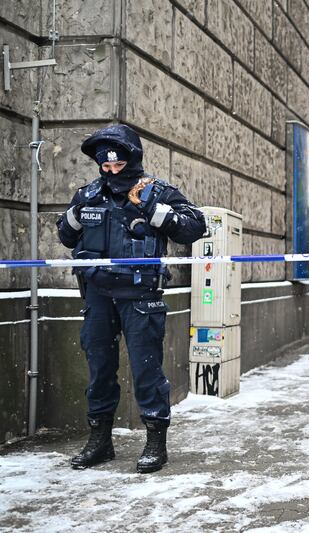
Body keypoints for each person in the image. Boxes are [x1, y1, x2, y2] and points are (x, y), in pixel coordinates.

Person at [57, 124, 205, 473]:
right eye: (105, 166)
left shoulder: (156, 191)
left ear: (132, 159)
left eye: (118, 165)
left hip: (139, 296)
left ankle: (155, 441)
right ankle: (100, 440)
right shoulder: (89, 194)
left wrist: (157, 212)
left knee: (146, 372)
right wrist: (75, 216)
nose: (111, 171)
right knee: (100, 370)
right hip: (97, 296)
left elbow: (196, 226)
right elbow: (65, 237)